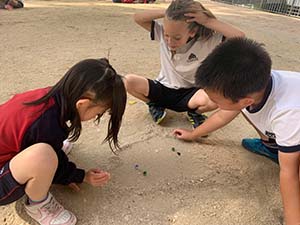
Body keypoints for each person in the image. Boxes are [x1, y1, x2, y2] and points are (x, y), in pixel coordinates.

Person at [173, 37, 300, 225]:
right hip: (288, 125)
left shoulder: (286, 113)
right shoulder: (253, 85)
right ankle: (272, 147)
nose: (212, 104)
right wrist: (193, 134)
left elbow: (289, 175)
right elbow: (223, 115)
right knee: (250, 113)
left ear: (246, 101)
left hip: (293, 122)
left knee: (293, 168)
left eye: (215, 101)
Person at [0, 58, 127, 225]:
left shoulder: (50, 99)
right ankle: (38, 204)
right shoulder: (45, 123)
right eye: (98, 113)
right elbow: (50, 157)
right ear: (83, 104)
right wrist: (79, 176)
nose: (96, 117)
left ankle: (42, 161)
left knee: (48, 152)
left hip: (10, 150)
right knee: (44, 157)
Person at [124, 0, 244, 128]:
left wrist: (207, 21)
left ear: (192, 32)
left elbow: (240, 37)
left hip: (191, 94)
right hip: (163, 89)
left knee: (216, 97)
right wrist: (169, 13)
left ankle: (194, 112)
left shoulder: (207, 41)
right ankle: (154, 104)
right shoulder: (162, 34)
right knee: (127, 81)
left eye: (177, 38)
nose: (170, 42)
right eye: (166, 35)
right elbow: (138, 18)